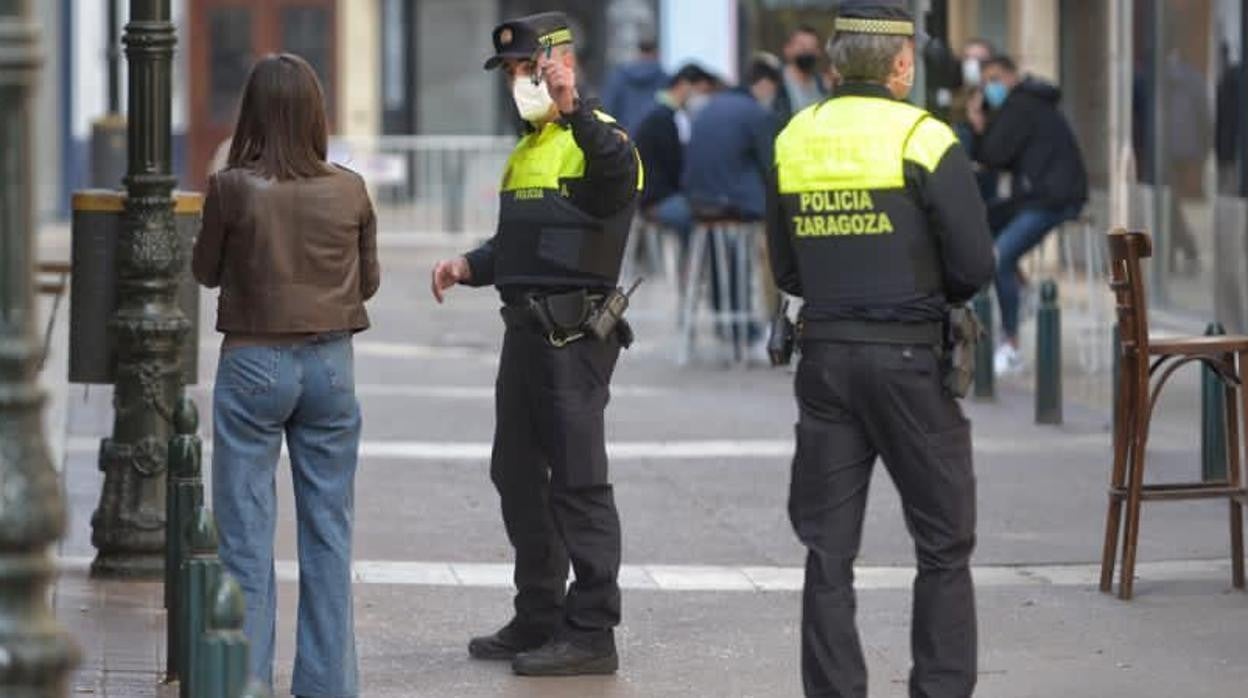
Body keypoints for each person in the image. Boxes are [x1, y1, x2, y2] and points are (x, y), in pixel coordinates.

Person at [766, 1, 995, 695]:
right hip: (910, 365)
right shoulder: (924, 137)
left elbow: (787, 269)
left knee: (828, 550)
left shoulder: (794, 137)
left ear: (836, 63)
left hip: (826, 358)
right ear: (902, 64)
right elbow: (974, 265)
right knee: (943, 543)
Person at [428, 12, 641, 677]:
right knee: (516, 475)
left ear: (558, 67)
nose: (516, 83)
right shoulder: (528, 148)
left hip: (574, 337)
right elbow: (525, 243)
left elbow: (615, 185)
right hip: (524, 335)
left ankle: (592, 631)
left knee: (579, 483)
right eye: (510, 74)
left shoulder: (598, 138)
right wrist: (470, 264)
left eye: (526, 69)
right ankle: (539, 614)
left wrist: (574, 106)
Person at [191, 53, 380, 697]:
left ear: (252, 114)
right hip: (331, 364)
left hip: (252, 361)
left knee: (244, 533)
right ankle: (327, 685)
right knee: (329, 530)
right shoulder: (350, 188)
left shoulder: (232, 186)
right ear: (315, 114)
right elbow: (369, 280)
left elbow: (206, 271)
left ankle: (244, 680)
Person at [967, 55, 1088, 375]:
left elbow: (992, 155)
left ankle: (1011, 345)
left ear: (1011, 76)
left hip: (1051, 199)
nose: (989, 87)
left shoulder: (1020, 106)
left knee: (999, 259)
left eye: (994, 79)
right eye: (985, 81)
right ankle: (1020, 288)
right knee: (983, 223)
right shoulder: (1031, 103)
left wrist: (978, 122)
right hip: (1043, 195)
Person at [633, 63, 718, 239]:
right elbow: (674, 165)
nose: (702, 99)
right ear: (685, 85)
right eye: (701, 91)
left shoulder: (658, 112)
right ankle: (690, 266)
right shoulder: (663, 118)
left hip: (652, 196)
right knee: (701, 221)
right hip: (656, 199)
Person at [601, 33, 670, 134]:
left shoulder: (619, 77)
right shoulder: (665, 79)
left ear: (638, 51)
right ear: (657, 52)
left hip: (624, 139)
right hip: (654, 139)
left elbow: (607, 110)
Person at [775, 25, 830, 125]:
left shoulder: (824, 87)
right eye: (802, 47)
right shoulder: (775, 85)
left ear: (819, 52)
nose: (807, 51)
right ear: (788, 49)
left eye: (812, 48)